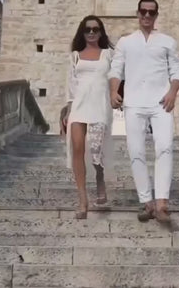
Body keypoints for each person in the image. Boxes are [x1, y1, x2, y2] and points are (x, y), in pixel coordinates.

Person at [109, 0, 179, 223]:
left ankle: (162, 203)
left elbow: (177, 71)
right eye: (144, 11)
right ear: (138, 13)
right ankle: (146, 202)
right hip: (134, 102)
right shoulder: (125, 42)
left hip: (161, 102)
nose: (147, 16)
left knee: (165, 147)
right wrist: (113, 92)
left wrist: (172, 92)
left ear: (156, 15)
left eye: (152, 12)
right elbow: (116, 70)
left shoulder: (168, 42)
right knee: (136, 151)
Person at [63, 15, 115, 219]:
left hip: (100, 105)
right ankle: (82, 200)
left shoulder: (109, 54)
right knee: (77, 148)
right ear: (82, 32)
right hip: (79, 105)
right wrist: (68, 109)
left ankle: (100, 179)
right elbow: (71, 83)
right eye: (87, 29)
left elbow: (116, 78)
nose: (91, 32)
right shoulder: (75, 56)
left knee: (96, 149)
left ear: (101, 32)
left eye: (95, 29)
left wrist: (117, 95)